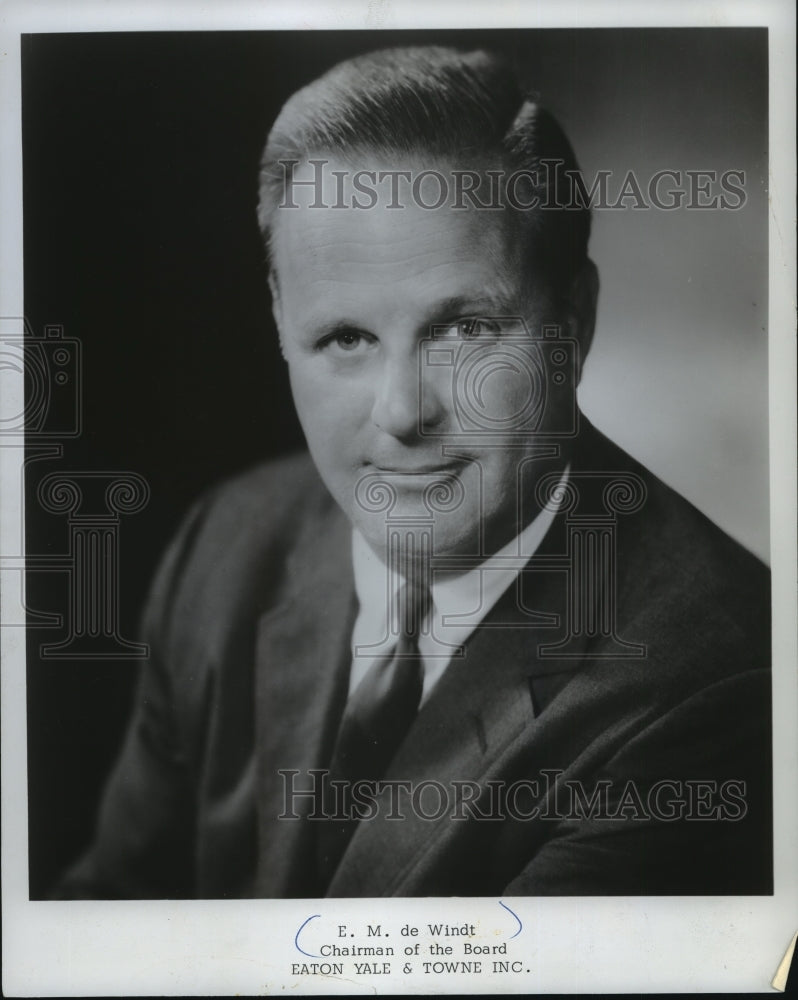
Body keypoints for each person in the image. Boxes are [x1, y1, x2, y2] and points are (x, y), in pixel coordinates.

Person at [55, 45, 771, 899]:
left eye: (462, 330)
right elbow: (102, 928)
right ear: (283, 324)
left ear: (572, 324)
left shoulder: (722, 685)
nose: (402, 411)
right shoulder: (227, 547)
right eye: (346, 339)